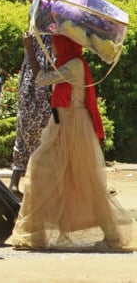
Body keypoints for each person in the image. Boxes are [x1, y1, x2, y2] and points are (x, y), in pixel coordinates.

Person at [11, 34, 136, 251]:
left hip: (74, 127)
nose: (56, 47)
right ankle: (35, 235)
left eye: (58, 43)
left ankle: (113, 236)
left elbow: (41, 79)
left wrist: (30, 50)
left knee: (88, 182)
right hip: (60, 125)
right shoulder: (65, 63)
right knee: (41, 172)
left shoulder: (74, 65)